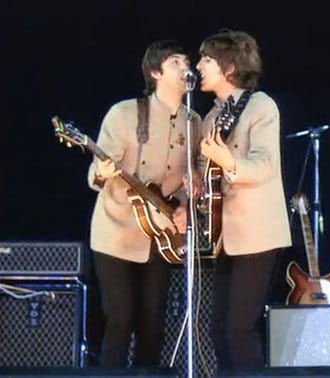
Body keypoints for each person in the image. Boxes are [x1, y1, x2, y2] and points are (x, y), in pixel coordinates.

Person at [87, 40, 201, 367]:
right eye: (175, 62)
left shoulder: (193, 122)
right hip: (116, 233)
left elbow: (188, 179)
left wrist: (182, 207)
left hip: (160, 235)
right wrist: (102, 172)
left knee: (153, 325)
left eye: (186, 61)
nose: (185, 67)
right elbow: (96, 172)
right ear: (155, 72)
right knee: (120, 318)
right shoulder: (124, 113)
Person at [195, 30, 292, 370]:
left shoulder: (261, 106)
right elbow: (208, 179)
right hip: (224, 235)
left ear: (230, 67)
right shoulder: (209, 118)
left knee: (239, 328)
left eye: (207, 60)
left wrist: (227, 161)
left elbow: (265, 165)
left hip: (257, 232)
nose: (198, 66)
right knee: (218, 329)